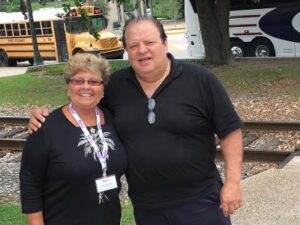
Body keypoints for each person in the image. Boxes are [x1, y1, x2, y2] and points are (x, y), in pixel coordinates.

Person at [28, 16, 243, 225]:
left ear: (165, 43)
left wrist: (233, 183)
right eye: (133, 45)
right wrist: (43, 115)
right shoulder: (115, 87)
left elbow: (230, 130)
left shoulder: (201, 80)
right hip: (146, 208)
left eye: (149, 42)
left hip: (200, 202)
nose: (142, 50)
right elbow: (83, 108)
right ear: (126, 51)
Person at [20, 53, 127, 225]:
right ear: (68, 86)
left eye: (93, 81)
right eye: (78, 81)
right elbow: (30, 182)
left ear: (103, 88)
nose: (86, 87)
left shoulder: (112, 119)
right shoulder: (45, 127)